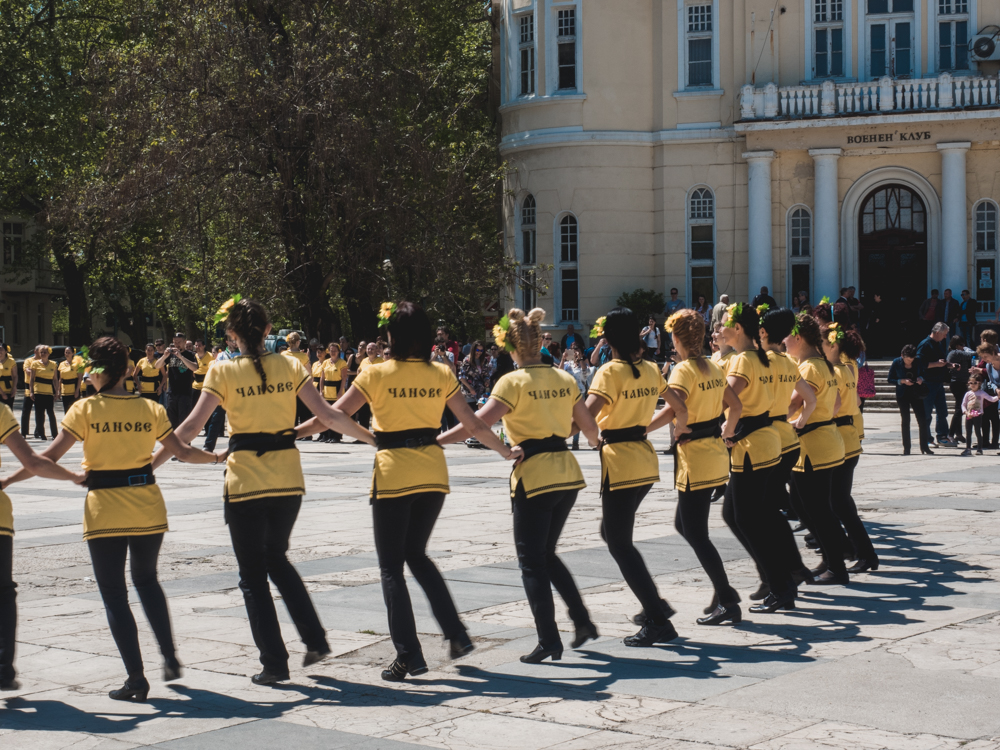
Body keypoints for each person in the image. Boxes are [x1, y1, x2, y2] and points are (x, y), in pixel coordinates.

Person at [157, 299, 372, 686]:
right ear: (268, 329)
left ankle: (274, 663)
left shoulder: (223, 372)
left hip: (245, 483)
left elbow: (188, 429)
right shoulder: (289, 365)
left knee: (252, 576)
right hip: (288, 478)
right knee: (277, 558)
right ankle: (314, 637)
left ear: (232, 334)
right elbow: (328, 415)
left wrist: (148, 465)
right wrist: (375, 440)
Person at [6, 336, 220, 700]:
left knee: (114, 595)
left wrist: (10, 479)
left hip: (104, 508)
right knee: (148, 581)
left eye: (89, 369)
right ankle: (169, 655)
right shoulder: (150, 409)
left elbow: (46, 459)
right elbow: (182, 452)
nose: (87, 375)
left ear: (99, 372)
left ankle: (136, 679)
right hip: (147, 504)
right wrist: (218, 458)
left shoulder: (84, 410)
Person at [319, 302, 511, 680]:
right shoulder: (440, 372)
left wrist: (363, 437)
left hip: (393, 472)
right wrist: (506, 451)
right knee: (417, 556)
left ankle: (409, 655)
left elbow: (331, 416)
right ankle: (455, 633)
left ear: (391, 335)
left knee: (392, 567)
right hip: (433, 471)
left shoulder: (375, 373)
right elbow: (471, 423)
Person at [441, 307, 601, 665]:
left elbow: (474, 425)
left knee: (531, 562)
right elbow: (589, 428)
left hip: (534, 476)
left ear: (512, 349)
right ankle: (582, 620)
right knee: (546, 554)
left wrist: (438, 441)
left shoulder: (512, 382)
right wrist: (562, 434)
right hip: (567, 473)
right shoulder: (563, 379)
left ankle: (548, 640)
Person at [581, 308, 678, 645]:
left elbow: (585, 414)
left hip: (620, 462)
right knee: (611, 532)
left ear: (608, 338)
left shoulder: (610, 371)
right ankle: (656, 604)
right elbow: (678, 404)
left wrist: (594, 437)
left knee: (619, 542)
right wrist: (646, 425)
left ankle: (656, 616)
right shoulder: (651, 369)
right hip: (643, 458)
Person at [719, 303, 807, 615]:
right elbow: (804, 395)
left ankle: (780, 584)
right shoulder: (771, 359)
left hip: (752, 446)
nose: (721, 329)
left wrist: (725, 427)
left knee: (748, 519)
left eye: (725, 324)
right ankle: (781, 579)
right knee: (739, 515)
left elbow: (727, 398)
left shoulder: (745, 360)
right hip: (768, 441)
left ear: (739, 329)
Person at [662, 310, 743, 619]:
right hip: (713, 455)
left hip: (695, 458)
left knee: (695, 532)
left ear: (678, 339)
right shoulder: (712, 366)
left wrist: (642, 428)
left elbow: (674, 410)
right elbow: (734, 406)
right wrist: (727, 430)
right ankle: (722, 591)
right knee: (685, 525)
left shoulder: (682, 371)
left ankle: (726, 598)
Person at [784, 313, 850, 587]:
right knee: (813, 507)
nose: (784, 342)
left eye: (787, 337)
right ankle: (831, 560)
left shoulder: (809, 367)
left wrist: (793, 421)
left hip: (814, 445)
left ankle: (836, 566)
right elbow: (835, 404)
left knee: (817, 510)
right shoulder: (824, 365)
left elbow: (791, 404)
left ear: (798, 338)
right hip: (827, 438)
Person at [759, 308, 811, 579]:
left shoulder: (761, 361)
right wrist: (798, 420)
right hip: (791, 439)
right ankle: (795, 566)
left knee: (818, 506)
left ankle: (781, 574)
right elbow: (811, 399)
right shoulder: (789, 362)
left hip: (770, 439)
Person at [823, 323, 878, 575]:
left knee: (838, 503)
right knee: (840, 501)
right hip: (850, 436)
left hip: (839, 438)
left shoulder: (833, 371)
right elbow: (855, 400)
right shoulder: (849, 368)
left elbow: (833, 406)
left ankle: (862, 553)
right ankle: (857, 551)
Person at [916, 322, 958, 447]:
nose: (946, 337)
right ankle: (927, 438)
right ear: (938, 332)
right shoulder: (924, 345)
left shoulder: (938, 343)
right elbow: (920, 364)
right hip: (928, 382)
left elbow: (942, 361)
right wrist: (936, 364)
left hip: (938, 382)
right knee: (927, 413)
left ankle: (942, 436)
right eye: (944, 334)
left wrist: (950, 365)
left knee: (942, 411)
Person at [888, 344, 931, 455]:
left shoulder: (918, 361)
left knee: (922, 420)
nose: (909, 362)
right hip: (903, 394)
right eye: (907, 359)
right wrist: (902, 381)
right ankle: (907, 448)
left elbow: (923, 373)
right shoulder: (896, 362)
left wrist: (920, 378)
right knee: (906, 420)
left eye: (911, 359)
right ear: (902, 356)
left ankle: (924, 446)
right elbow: (890, 378)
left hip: (916, 393)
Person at [155, 333, 198, 428]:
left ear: (185, 342)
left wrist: (181, 357)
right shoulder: (170, 355)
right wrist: (164, 356)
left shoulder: (190, 354)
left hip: (185, 393)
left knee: (184, 422)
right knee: (172, 421)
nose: (176, 344)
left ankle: (185, 443)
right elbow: (157, 366)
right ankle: (174, 442)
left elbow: (195, 368)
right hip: (172, 393)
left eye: (179, 342)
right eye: (175, 342)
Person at [960, 370, 998, 456]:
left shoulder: (982, 393)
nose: (973, 385)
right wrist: (966, 412)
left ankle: (980, 449)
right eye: (971, 383)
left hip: (978, 415)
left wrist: (998, 397)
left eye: (975, 383)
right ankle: (968, 448)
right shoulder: (968, 394)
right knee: (968, 432)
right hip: (969, 415)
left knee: (978, 432)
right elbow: (963, 404)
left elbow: (991, 399)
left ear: (979, 383)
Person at [947, 335, 975, 442]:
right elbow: (972, 355)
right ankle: (950, 434)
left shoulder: (955, 352)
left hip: (960, 383)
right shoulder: (955, 353)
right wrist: (969, 350)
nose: (963, 347)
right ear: (956, 345)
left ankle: (958, 434)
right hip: (958, 383)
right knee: (959, 410)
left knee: (958, 408)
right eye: (962, 345)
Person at [318, 342, 347, 443]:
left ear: (338, 351)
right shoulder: (325, 362)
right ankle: (328, 435)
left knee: (337, 414)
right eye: (331, 350)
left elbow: (344, 378)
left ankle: (337, 436)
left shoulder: (342, 363)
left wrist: (340, 392)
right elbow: (322, 378)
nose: (333, 352)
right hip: (327, 390)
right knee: (328, 414)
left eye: (335, 350)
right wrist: (321, 391)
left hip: (337, 389)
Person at [28, 345, 59, 440]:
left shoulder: (53, 364)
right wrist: (31, 392)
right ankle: (41, 433)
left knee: (51, 413)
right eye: (41, 352)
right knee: (39, 413)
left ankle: (55, 434)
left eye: (45, 352)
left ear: (49, 353)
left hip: (49, 392)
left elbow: (55, 379)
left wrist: (57, 391)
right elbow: (31, 379)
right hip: (38, 391)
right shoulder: (35, 364)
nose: (43, 354)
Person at [976, 341, 1000, 453]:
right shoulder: (989, 365)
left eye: (986, 356)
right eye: (982, 357)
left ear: (993, 353)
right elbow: (992, 381)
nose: (984, 359)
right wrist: (996, 389)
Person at [58, 346, 82, 413]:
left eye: (69, 352)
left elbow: (80, 378)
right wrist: (58, 390)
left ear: (72, 353)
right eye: (66, 352)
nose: (67, 354)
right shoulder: (61, 364)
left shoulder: (77, 364)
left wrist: (77, 391)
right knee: (66, 410)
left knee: (75, 410)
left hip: (73, 390)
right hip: (65, 391)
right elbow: (60, 379)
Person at [190, 340, 214, 409]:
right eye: (196, 345)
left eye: (199, 345)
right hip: (195, 387)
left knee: (206, 408)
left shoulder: (210, 356)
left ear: (204, 346)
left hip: (206, 387)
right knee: (194, 407)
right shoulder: (193, 356)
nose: (197, 347)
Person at [0, 345, 16, 410]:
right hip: (1, 390)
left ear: (6, 351)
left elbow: (15, 376)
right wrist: (2, 393)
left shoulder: (11, 361)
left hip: (9, 389)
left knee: (9, 410)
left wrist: (14, 387)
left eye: (1, 349)